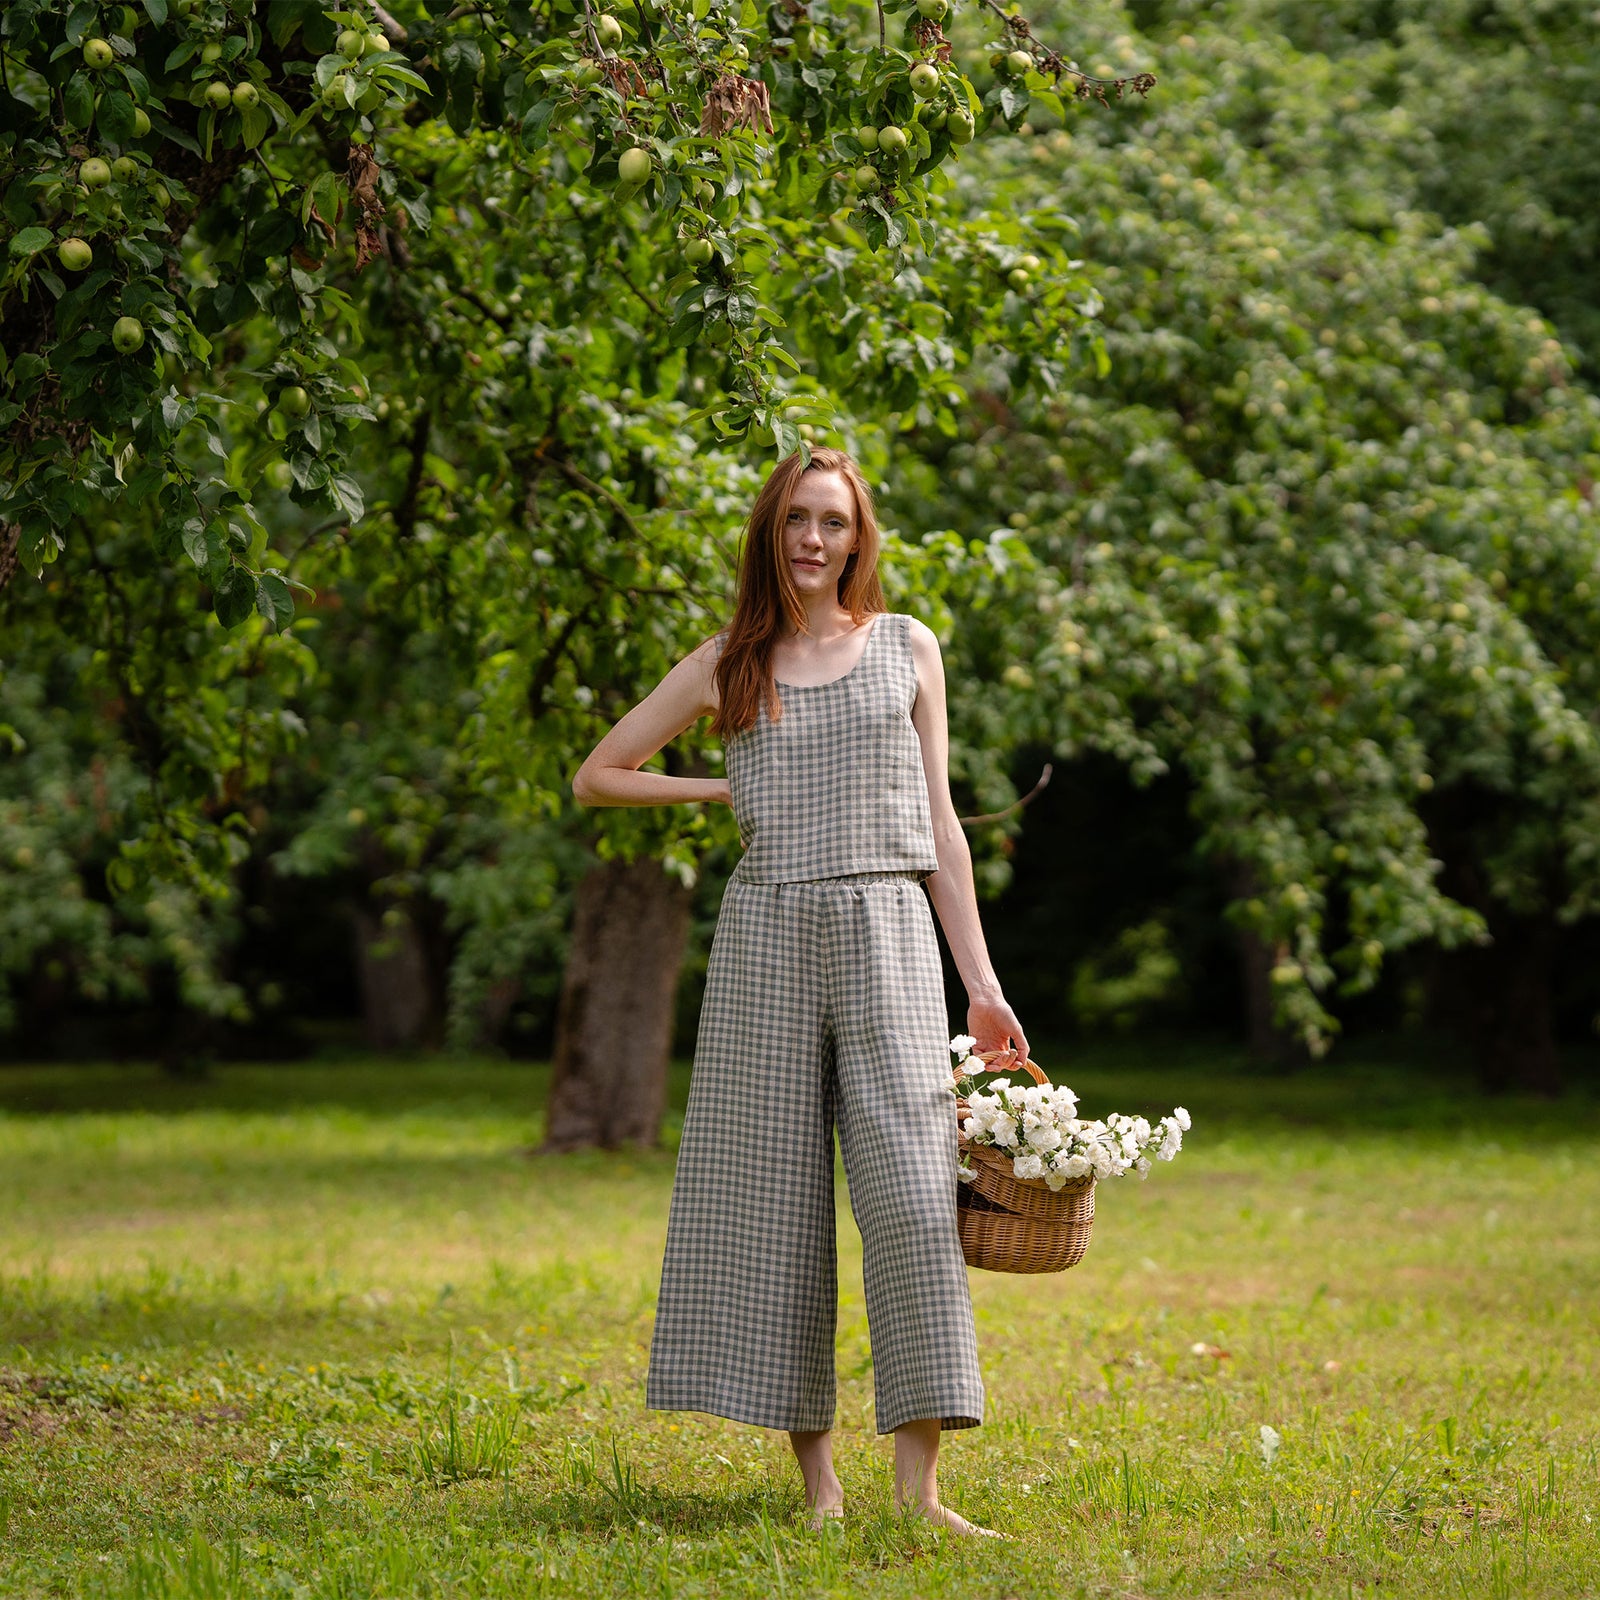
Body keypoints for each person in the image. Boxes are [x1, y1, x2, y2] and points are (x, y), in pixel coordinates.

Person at [572, 447, 1029, 1536]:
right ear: (769, 537)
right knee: (774, 1206)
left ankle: (921, 1493)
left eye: (831, 521)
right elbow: (599, 772)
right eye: (794, 523)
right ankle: (817, 1486)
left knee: (917, 1204)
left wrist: (982, 983)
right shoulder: (730, 659)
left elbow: (940, 827)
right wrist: (722, 779)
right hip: (766, 933)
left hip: (887, 934)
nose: (813, 540)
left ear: (859, 535)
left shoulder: (907, 646)